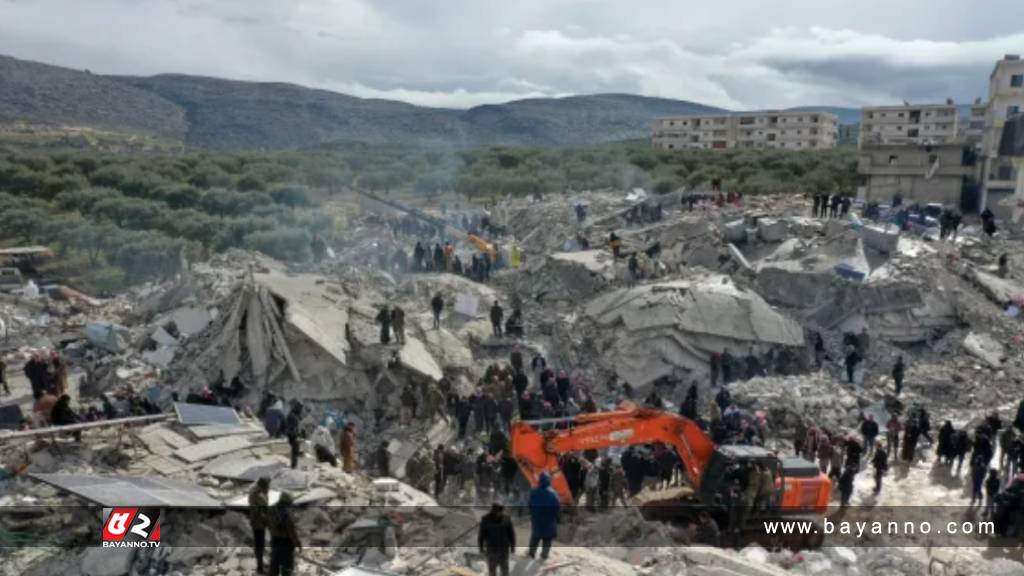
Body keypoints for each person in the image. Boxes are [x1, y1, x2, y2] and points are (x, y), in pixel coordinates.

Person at [527, 472, 561, 560]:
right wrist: (557, 518)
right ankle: (544, 555)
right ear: (548, 481)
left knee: (535, 537)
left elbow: (530, 505)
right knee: (547, 539)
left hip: (537, 520)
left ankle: (531, 553)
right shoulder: (553, 493)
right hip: (549, 521)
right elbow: (557, 507)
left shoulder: (534, 491)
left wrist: (532, 515)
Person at [268, 492, 301, 576]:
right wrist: (297, 543)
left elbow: (269, 525)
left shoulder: (271, 509)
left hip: (275, 539)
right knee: (287, 565)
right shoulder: (287, 514)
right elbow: (292, 531)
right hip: (286, 542)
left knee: (274, 563)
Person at [478, 502, 516, 576]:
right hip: (491, 549)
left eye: (501, 511)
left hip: (504, 548)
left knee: (504, 569)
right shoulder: (486, 519)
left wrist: (513, 547)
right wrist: (481, 547)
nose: (500, 513)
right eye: (498, 511)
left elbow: (511, 534)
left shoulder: (507, 518)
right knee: (492, 569)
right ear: (493, 511)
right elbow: (481, 534)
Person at [249, 477, 271, 574]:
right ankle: (260, 567)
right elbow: (263, 510)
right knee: (259, 545)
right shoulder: (258, 495)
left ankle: (260, 565)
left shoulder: (256, 491)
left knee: (260, 544)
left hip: (257, 522)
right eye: (267, 485)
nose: (269, 487)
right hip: (258, 523)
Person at [285, 403, 303, 469]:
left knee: (294, 450)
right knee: (295, 450)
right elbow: (295, 428)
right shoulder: (294, 417)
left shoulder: (291, 414)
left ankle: (294, 465)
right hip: (293, 435)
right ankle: (294, 466)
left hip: (290, 435)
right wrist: (298, 435)